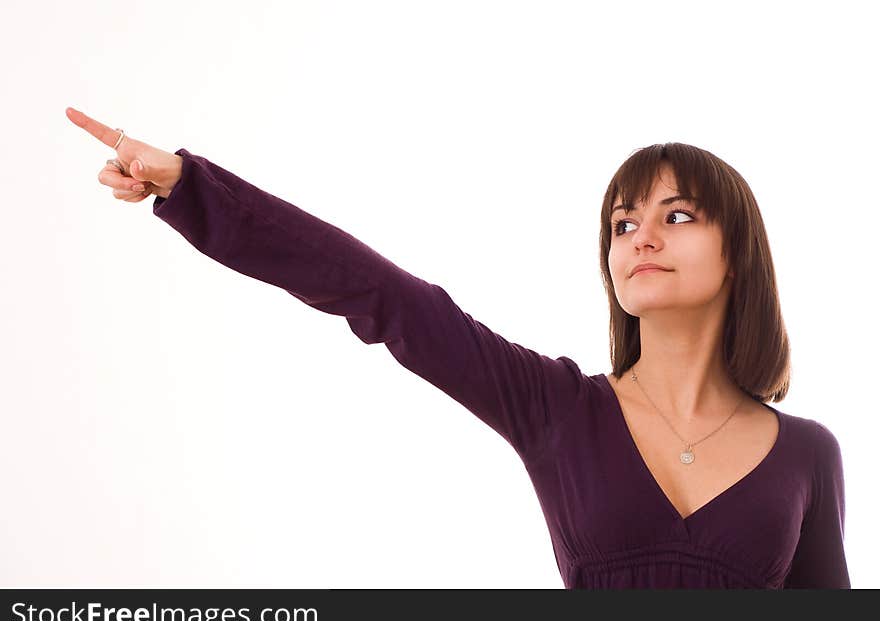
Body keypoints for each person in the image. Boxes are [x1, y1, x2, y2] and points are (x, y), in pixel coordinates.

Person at [65, 107, 851, 589]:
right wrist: (190, 186)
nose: (640, 235)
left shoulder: (805, 455)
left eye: (677, 216)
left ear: (737, 252)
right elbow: (380, 294)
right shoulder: (558, 409)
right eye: (621, 222)